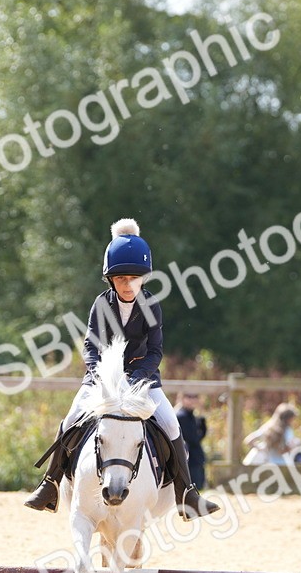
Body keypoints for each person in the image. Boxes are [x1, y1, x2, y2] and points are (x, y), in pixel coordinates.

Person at [23, 218, 220, 520]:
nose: (128, 284)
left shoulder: (152, 305)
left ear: (144, 278)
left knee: (172, 426)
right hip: (101, 382)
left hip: (144, 384)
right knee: (70, 420)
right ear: (110, 279)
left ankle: (187, 493)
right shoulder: (101, 305)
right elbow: (90, 346)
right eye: (121, 279)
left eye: (134, 278)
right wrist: (101, 373)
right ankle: (49, 485)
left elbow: (154, 350)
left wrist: (137, 379)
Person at [174, 392, 208, 488]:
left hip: (193, 457)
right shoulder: (182, 416)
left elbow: (200, 437)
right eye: (189, 397)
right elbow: (194, 438)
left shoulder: (190, 414)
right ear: (182, 399)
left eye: (195, 397)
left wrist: (201, 418)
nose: (192, 400)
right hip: (189, 459)